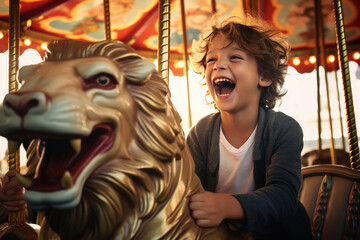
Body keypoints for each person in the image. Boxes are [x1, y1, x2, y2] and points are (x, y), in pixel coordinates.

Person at [187, 14, 312, 240]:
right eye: (211, 60)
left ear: (263, 75)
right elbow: (189, 191)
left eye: (234, 57)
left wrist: (226, 205)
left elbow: (283, 195)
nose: (218, 65)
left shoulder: (283, 129)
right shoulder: (200, 134)